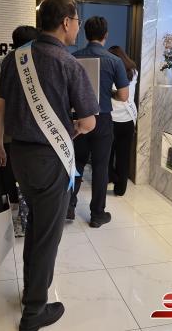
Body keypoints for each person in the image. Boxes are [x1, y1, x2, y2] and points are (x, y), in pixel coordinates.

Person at [0, 0, 99, 331]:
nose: (77, 27)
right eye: (76, 21)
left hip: (20, 156)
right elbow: (89, 122)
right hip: (50, 159)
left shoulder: (15, 59)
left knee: (36, 225)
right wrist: (71, 131)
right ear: (65, 22)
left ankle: (30, 294)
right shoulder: (68, 63)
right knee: (47, 235)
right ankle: (35, 311)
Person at [68, 16, 129, 228]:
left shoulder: (72, 58)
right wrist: (109, 93)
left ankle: (68, 207)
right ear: (106, 35)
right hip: (102, 119)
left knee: (76, 162)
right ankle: (97, 214)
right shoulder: (114, 61)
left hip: (78, 117)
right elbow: (123, 95)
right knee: (101, 166)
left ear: (85, 34)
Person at [0, 25, 38, 203]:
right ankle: (14, 211)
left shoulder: (5, 61)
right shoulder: (18, 64)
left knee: (6, 179)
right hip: (8, 131)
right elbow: (3, 105)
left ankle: (11, 208)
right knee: (13, 181)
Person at [107, 46, 138, 196]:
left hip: (111, 120)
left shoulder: (110, 72)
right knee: (123, 156)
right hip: (128, 120)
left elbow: (118, 94)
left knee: (107, 154)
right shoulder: (134, 72)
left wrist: (110, 92)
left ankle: (110, 177)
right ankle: (120, 189)